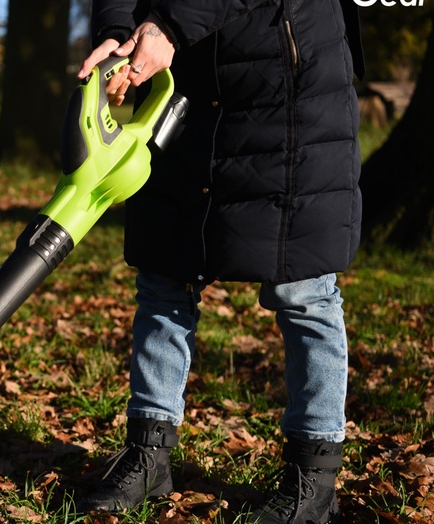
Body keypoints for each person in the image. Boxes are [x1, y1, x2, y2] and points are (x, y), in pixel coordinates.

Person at [75, 1, 364, 522]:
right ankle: (148, 454)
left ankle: (314, 480)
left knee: (302, 289)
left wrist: (166, 24)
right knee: (165, 272)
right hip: (182, 82)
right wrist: (120, 32)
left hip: (284, 76)